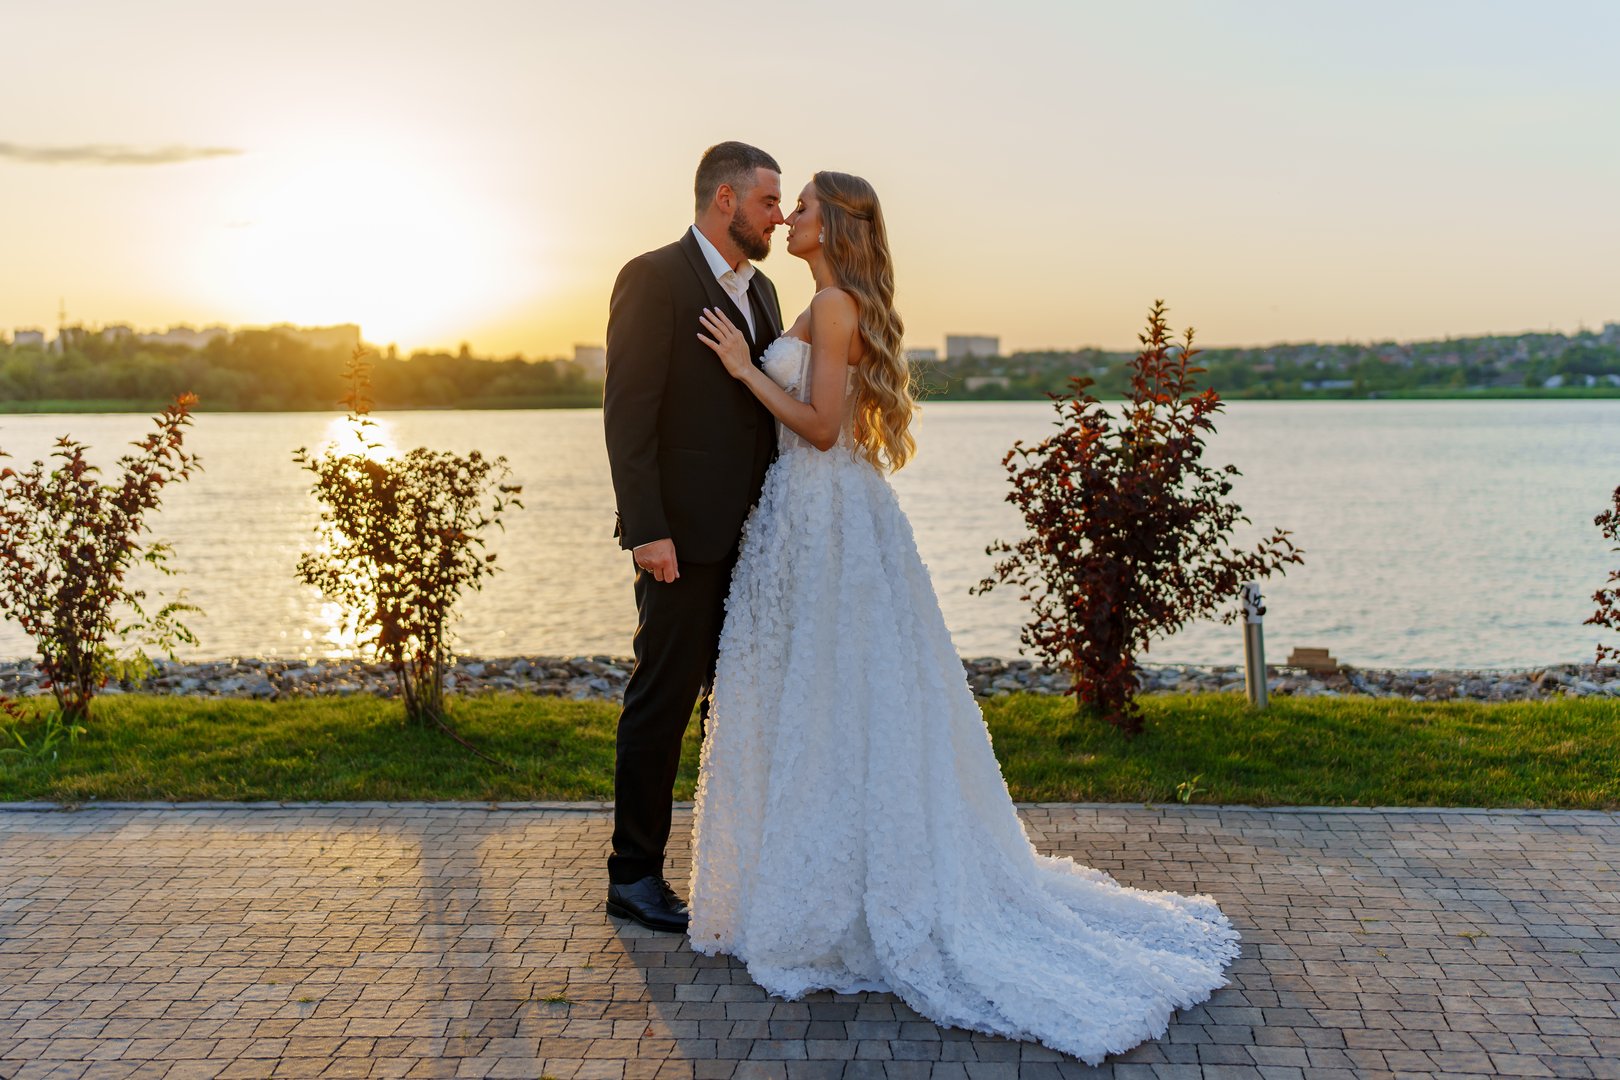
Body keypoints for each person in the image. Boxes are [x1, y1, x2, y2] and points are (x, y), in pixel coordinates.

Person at [686, 170, 1240, 1065]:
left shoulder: (833, 306)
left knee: (831, 698)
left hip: (825, 516)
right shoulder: (824, 301)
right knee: (829, 701)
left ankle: (838, 897)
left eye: (804, 207)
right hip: (815, 518)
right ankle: (816, 882)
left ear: (835, 226)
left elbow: (822, 428)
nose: (789, 217)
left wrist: (744, 369)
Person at [601, 141, 785, 933]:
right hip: (679, 541)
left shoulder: (764, 289)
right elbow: (628, 414)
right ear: (725, 199)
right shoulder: (654, 277)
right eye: (769, 202)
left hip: (756, 539)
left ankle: (726, 870)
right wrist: (648, 530)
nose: (779, 217)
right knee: (662, 701)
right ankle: (634, 875)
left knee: (737, 705)